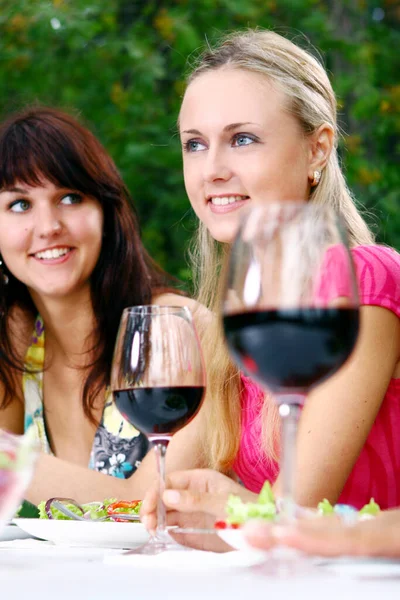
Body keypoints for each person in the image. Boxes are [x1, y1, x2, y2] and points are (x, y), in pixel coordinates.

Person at [140, 28, 400, 538]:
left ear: (317, 151)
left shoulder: (364, 282)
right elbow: (152, 490)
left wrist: (228, 510)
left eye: (243, 139)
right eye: (194, 145)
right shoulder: (235, 320)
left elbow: (299, 511)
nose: (212, 169)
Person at [0, 106, 209, 505]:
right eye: (20, 205)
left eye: (69, 197)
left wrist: (7, 458)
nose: (48, 227)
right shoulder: (19, 340)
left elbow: (148, 502)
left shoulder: (176, 331)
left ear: (106, 214)